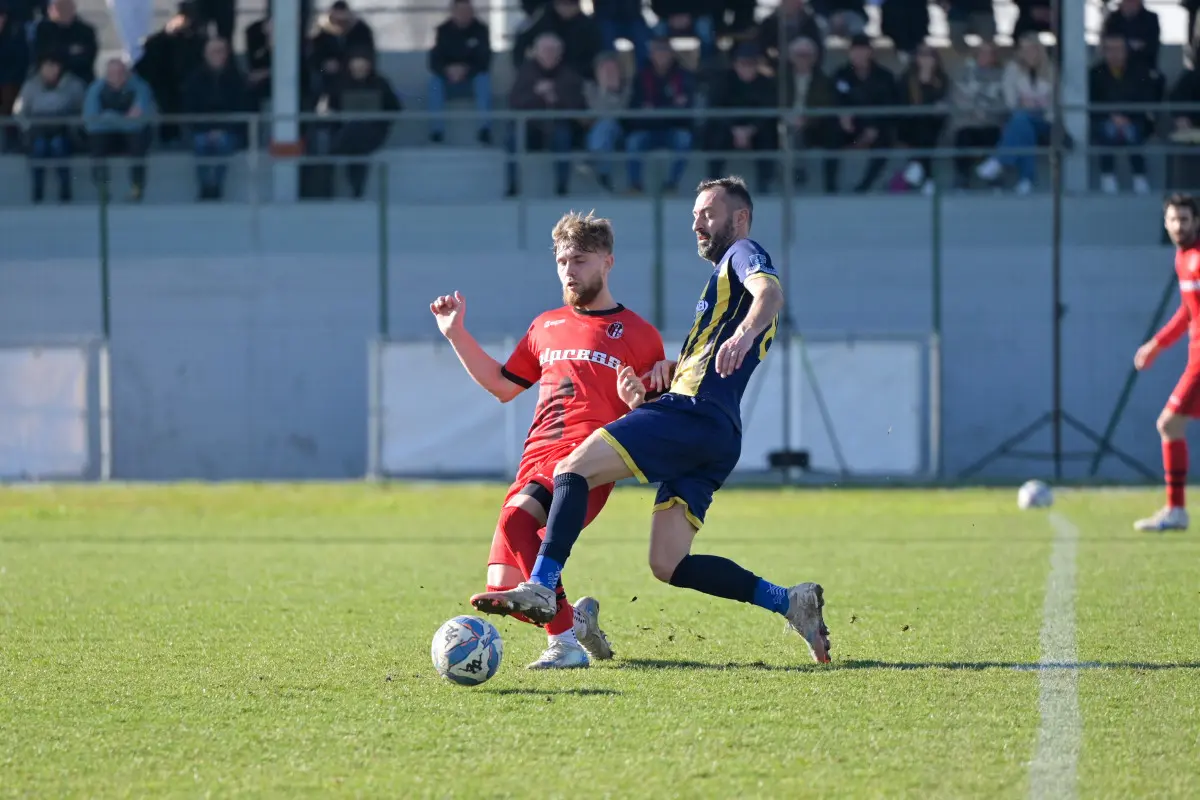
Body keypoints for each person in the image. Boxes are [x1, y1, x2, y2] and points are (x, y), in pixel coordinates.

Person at [470, 177, 832, 664]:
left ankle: (542, 585)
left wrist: (745, 334)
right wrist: (660, 378)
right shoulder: (722, 290)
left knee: (571, 468)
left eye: (708, 214)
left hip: (692, 413)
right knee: (668, 563)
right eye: (694, 215)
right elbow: (710, 359)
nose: (697, 223)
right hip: (718, 433)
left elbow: (769, 294)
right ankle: (789, 601)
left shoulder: (742, 253)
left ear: (740, 218)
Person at [431, 211, 668, 669]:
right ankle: (576, 622)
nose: (569, 271)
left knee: (517, 522)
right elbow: (503, 386)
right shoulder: (545, 325)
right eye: (562, 261)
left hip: (585, 464)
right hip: (535, 460)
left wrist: (639, 401)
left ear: (608, 262)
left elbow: (653, 419)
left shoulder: (641, 335)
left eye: (580, 260)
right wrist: (455, 333)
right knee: (503, 590)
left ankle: (564, 646)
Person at [1132, 194, 1200, 532]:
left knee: (1169, 424)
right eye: (1173, 220)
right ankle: (1176, 510)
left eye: (1184, 220)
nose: (1178, 226)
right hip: (1195, 356)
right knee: (1170, 426)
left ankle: (1176, 510)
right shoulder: (1182, 257)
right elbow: (1188, 311)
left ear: (1196, 222)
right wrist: (1156, 345)